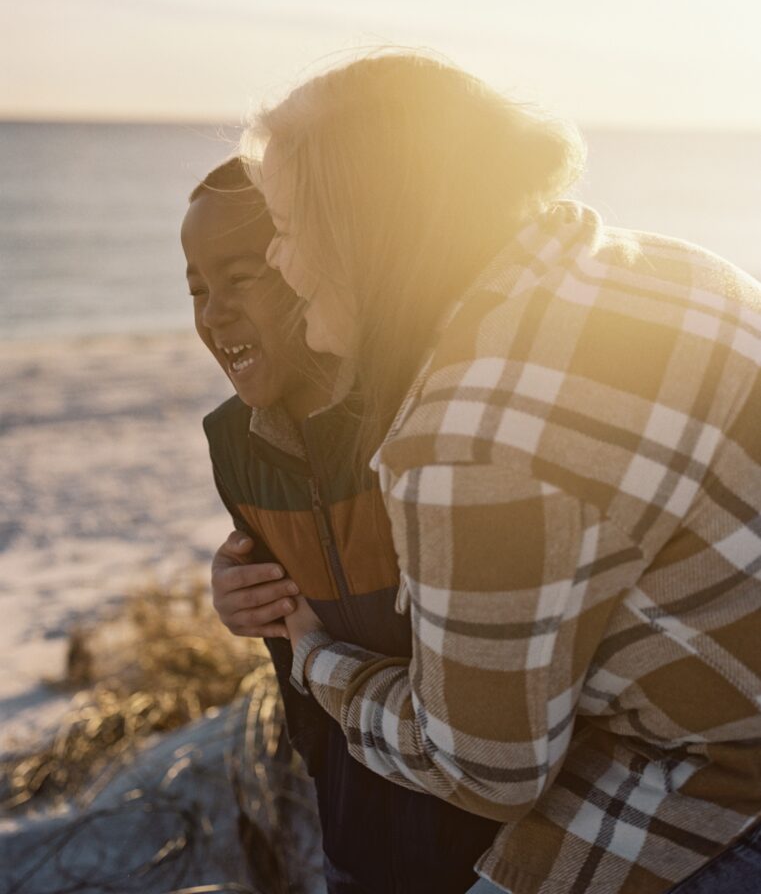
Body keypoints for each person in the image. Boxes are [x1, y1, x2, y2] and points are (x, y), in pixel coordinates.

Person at [240, 52, 761, 894]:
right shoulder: (676, 268)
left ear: (363, 229)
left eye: (287, 224)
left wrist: (314, 658)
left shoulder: (471, 440)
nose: (274, 258)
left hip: (720, 791)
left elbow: (483, 771)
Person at [183, 157, 503, 893]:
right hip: (354, 829)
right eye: (196, 288)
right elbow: (291, 642)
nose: (213, 312)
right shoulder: (233, 444)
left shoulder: (419, 419)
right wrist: (242, 601)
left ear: (313, 266)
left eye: (241, 277)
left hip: (496, 838)